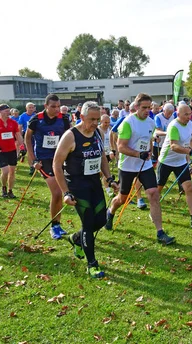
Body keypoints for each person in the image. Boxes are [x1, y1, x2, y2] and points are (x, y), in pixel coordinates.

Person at [53, 101, 118, 278]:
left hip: (94, 183)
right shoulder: (70, 136)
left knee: (101, 221)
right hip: (77, 185)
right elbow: (56, 164)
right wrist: (66, 192)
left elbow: (102, 156)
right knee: (88, 223)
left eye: (98, 119)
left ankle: (76, 239)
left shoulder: (96, 132)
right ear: (81, 117)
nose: (95, 123)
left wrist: (109, 177)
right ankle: (92, 264)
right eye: (92, 119)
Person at [106, 93, 175, 245]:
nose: (147, 111)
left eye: (149, 108)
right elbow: (121, 147)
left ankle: (160, 232)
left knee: (153, 194)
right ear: (136, 107)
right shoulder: (128, 122)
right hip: (127, 166)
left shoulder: (151, 122)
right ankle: (110, 212)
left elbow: (148, 140)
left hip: (145, 165)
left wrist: (150, 152)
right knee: (122, 198)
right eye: (144, 108)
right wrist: (138, 154)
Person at [25, 94, 72, 239]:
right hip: (43, 159)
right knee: (58, 192)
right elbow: (27, 138)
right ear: (46, 106)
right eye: (53, 106)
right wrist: (32, 160)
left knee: (63, 192)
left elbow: (68, 136)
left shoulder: (64, 119)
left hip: (60, 158)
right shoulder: (36, 120)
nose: (57, 109)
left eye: (58, 106)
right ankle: (54, 227)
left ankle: (58, 224)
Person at [157, 103, 192, 228]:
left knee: (189, 188)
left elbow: (190, 140)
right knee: (157, 190)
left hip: (180, 162)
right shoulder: (173, 126)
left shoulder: (189, 124)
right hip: (166, 161)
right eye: (186, 114)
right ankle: (154, 210)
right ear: (178, 114)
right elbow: (173, 146)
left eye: (190, 114)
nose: (189, 117)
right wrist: (190, 151)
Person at [0, 104, 24, 198]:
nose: (8, 113)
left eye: (9, 111)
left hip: (12, 150)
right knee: (5, 171)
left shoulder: (13, 123)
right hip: (1, 151)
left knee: (12, 172)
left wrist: (22, 147)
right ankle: (3, 187)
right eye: (6, 111)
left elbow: (18, 135)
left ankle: (10, 190)